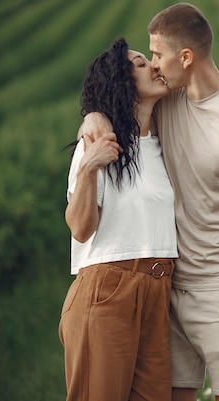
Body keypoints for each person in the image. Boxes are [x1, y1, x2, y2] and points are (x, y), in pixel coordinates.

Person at [81, 3, 219, 401]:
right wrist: (92, 115)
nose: (154, 65)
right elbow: (121, 107)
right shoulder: (167, 103)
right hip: (170, 291)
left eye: (157, 54)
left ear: (186, 57)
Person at [59, 37, 176, 401]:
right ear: (122, 83)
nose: (154, 66)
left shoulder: (163, 143)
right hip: (107, 289)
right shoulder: (99, 143)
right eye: (141, 64)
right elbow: (80, 228)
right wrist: (89, 168)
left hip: (158, 291)